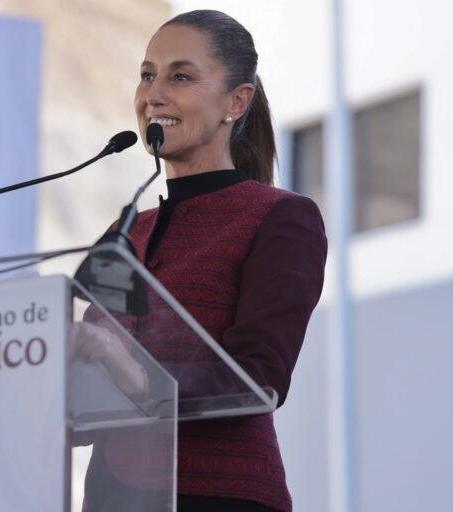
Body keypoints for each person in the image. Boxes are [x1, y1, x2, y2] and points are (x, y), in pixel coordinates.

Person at [72, 9, 327, 512]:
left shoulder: (279, 217)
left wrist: (135, 374)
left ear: (237, 101)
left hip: (218, 495)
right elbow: (87, 396)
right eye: (147, 75)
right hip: (111, 498)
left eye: (180, 77)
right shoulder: (128, 231)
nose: (153, 95)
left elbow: (258, 378)